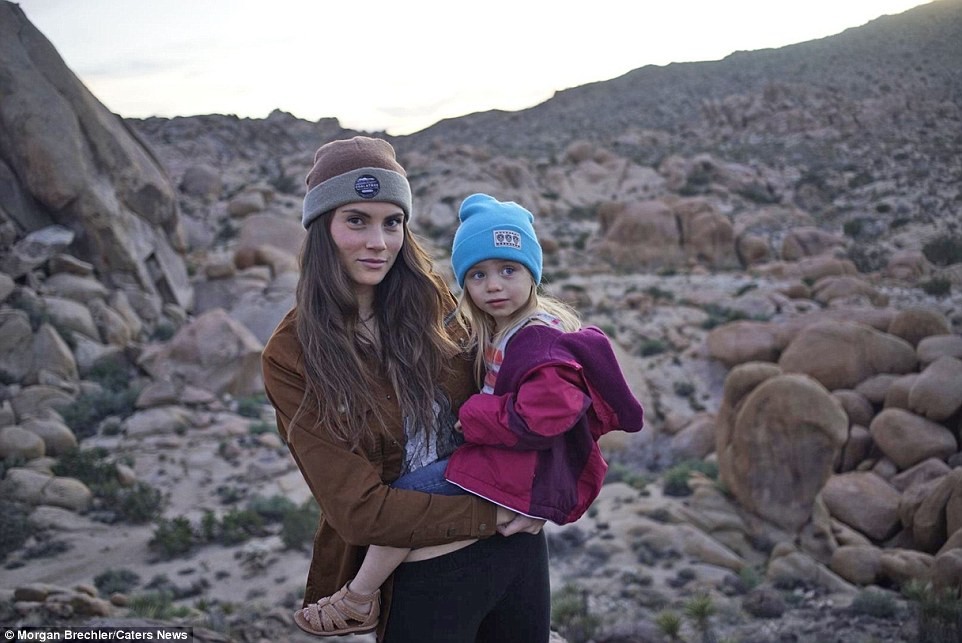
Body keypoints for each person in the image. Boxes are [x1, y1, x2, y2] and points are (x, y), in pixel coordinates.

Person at [301, 191, 646, 636]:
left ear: (533, 273)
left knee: (407, 493)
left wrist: (477, 415)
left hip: (509, 469)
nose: (495, 285)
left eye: (508, 270)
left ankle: (359, 596)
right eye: (478, 274)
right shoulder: (498, 331)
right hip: (506, 473)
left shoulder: (536, 339)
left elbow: (547, 413)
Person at [260, 137, 549, 643]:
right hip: (423, 575)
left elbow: (516, 399)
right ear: (321, 227)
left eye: (392, 222)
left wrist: (545, 490)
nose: (379, 242)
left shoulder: (430, 301)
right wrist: (501, 510)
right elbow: (360, 510)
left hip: (516, 553)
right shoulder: (293, 355)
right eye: (357, 220)